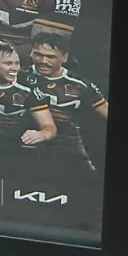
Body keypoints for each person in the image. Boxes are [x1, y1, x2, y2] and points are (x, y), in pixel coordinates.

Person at [20, 32, 108, 172]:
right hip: (28, 143)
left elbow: (106, 111)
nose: (43, 61)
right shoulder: (19, 77)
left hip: (69, 147)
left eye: (50, 57)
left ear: (64, 57)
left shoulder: (80, 85)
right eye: (38, 54)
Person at [0, 43, 56, 158]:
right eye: (8, 63)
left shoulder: (28, 87)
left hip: (16, 149)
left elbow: (49, 126)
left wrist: (43, 134)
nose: (14, 68)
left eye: (17, 63)